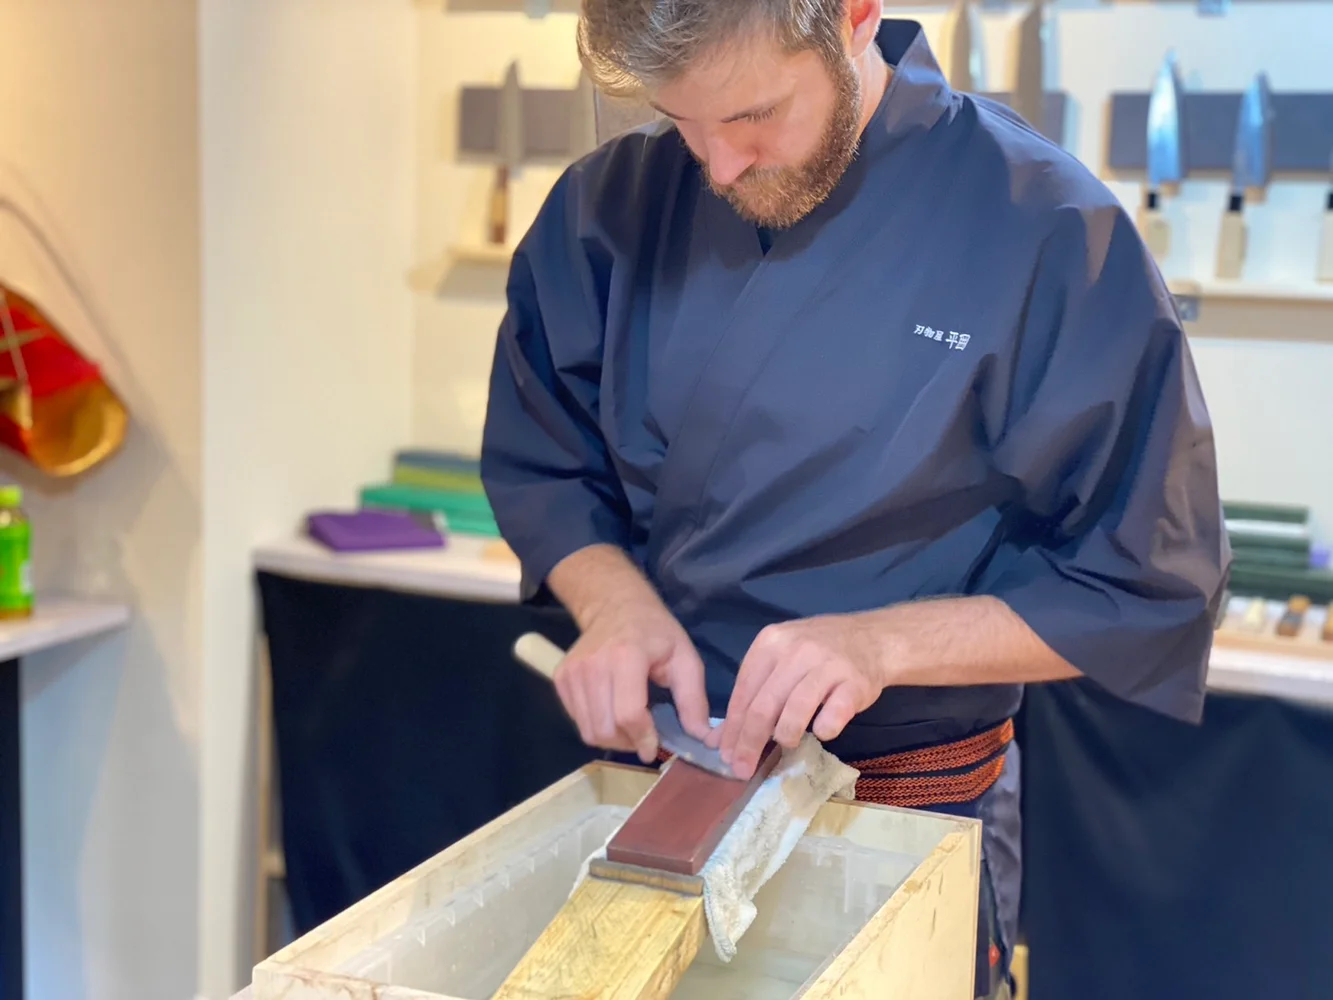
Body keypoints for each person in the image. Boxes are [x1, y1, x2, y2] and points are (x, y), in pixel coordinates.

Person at [479, 1, 1231, 996]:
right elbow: (548, 465)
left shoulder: (1040, 229)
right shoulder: (603, 210)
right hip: (658, 802)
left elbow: (1145, 586)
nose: (715, 166)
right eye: (679, 121)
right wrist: (614, 605)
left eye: (751, 118)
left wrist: (879, 644)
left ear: (854, 16)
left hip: (905, 816)